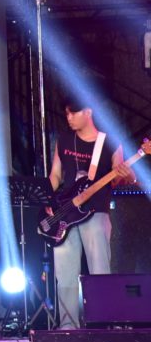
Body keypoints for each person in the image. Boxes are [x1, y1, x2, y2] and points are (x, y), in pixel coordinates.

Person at [48, 98, 134, 329]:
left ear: (88, 112)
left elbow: (118, 177)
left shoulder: (109, 142)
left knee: (99, 269)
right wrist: (48, 199)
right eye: (66, 113)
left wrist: (126, 174)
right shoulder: (64, 140)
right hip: (65, 213)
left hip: (95, 212)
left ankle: (104, 323)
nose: (68, 118)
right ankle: (68, 327)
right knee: (65, 273)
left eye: (73, 113)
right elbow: (55, 175)